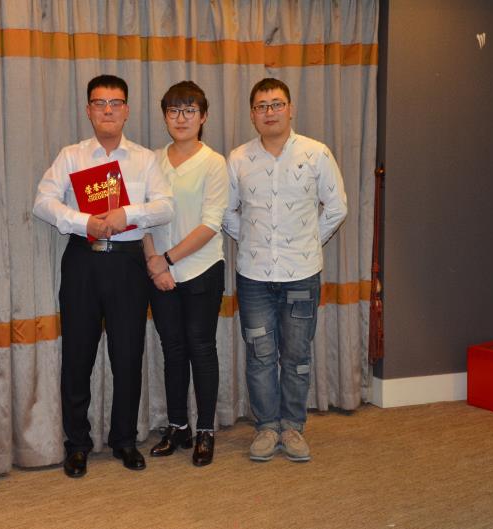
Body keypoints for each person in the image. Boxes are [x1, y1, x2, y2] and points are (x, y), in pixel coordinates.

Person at [33, 74, 174, 478]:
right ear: (88, 110)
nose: (107, 110)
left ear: (126, 110)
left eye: (115, 103)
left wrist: (127, 214)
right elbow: (43, 202)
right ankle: (77, 444)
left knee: (127, 355)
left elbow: (165, 206)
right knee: (78, 356)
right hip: (83, 260)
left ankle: (124, 440)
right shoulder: (71, 156)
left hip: (128, 264)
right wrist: (84, 222)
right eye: (99, 103)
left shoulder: (145, 159)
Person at [223, 78, 347, 463]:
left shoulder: (316, 154)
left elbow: (337, 208)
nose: (270, 112)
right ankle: (266, 427)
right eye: (261, 106)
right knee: (260, 354)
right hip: (254, 278)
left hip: (301, 276)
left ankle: (292, 426)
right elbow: (226, 212)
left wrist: (307, 241)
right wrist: (251, 239)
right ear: (252, 114)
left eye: (276, 104)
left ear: (290, 109)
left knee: (296, 355)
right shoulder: (238, 159)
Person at [143, 81, 229, 467]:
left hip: (202, 270)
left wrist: (167, 259)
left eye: (189, 110)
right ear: (164, 116)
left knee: (201, 347)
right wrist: (153, 262)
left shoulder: (214, 162)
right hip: (160, 273)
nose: (181, 118)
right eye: (174, 111)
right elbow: (144, 218)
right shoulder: (152, 161)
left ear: (203, 116)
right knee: (172, 349)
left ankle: (206, 430)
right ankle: (178, 427)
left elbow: (211, 223)